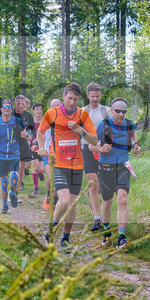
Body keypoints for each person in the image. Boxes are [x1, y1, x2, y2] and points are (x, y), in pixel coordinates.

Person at [35, 83, 99, 246]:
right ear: (64, 96)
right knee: (63, 201)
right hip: (58, 164)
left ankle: (65, 238)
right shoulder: (52, 113)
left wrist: (80, 130)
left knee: (71, 204)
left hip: (76, 165)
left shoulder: (82, 115)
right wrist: (41, 147)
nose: (72, 102)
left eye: (75, 99)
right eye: (69, 98)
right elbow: (41, 131)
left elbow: (94, 139)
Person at [96, 98, 142, 248]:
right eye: (118, 111)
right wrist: (101, 149)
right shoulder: (103, 125)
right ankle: (107, 231)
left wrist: (135, 144)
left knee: (122, 200)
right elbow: (92, 145)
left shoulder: (129, 124)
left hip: (123, 166)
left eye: (124, 111)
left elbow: (133, 136)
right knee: (107, 202)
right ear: (111, 110)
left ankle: (121, 237)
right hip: (105, 167)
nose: (121, 114)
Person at [82, 83, 112, 233]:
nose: (94, 99)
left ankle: (94, 202)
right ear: (87, 95)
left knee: (100, 187)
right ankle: (96, 219)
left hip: (103, 150)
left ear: (100, 96)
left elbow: (113, 127)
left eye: (97, 96)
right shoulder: (82, 111)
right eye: (92, 96)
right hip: (86, 149)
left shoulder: (106, 110)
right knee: (93, 184)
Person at [14, 95, 36, 195]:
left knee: (22, 169)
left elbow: (33, 129)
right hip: (12, 144)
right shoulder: (10, 115)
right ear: (15, 104)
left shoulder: (28, 116)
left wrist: (29, 135)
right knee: (15, 168)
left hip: (23, 145)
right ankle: (11, 190)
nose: (20, 105)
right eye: (18, 103)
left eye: (23, 104)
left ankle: (16, 192)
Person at [29, 102, 46, 196]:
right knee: (35, 167)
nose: (39, 111)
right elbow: (28, 134)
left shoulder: (45, 121)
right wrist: (31, 144)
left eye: (40, 109)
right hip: (33, 147)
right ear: (34, 111)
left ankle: (40, 173)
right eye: (37, 109)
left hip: (43, 147)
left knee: (42, 169)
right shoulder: (31, 122)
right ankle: (36, 187)